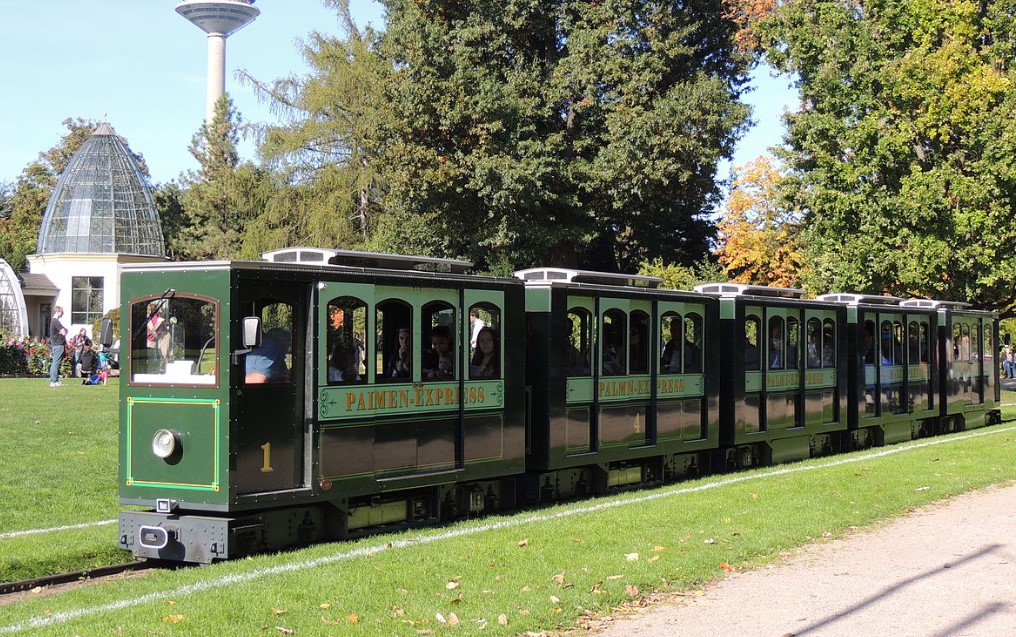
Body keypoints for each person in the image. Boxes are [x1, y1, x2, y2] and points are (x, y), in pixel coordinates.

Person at [146, 302, 170, 370]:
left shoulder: (158, 318)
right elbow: (151, 331)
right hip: (151, 341)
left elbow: (162, 332)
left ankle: (163, 369)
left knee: (159, 358)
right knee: (153, 359)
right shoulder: (149, 318)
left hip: (159, 340)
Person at [48, 306, 67, 387]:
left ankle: (54, 380)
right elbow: (64, 332)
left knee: (55, 362)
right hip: (58, 344)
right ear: (58, 312)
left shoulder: (53, 321)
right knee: (56, 363)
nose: (62, 314)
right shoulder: (56, 321)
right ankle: (54, 381)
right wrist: (64, 330)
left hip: (55, 344)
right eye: (62, 312)